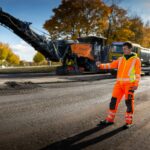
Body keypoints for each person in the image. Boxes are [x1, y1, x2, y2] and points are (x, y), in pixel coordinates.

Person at [96, 42, 141, 128]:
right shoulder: (120, 59)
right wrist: (100, 65)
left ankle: (129, 122)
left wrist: (136, 84)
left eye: (125, 49)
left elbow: (138, 73)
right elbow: (111, 65)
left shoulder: (136, 60)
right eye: (123, 49)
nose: (123, 50)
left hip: (129, 85)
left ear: (130, 49)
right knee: (113, 102)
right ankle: (109, 120)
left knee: (129, 103)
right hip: (118, 85)